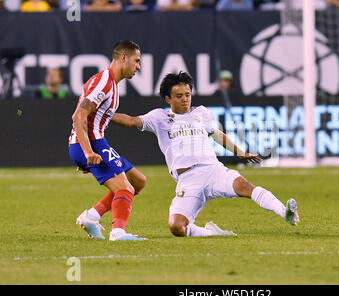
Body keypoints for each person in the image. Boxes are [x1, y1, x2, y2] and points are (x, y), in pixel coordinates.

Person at [111, 71, 299, 237]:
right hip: (188, 180)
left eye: (188, 94)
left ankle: (285, 212)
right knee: (176, 227)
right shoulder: (159, 117)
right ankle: (210, 233)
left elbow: (216, 134)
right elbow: (131, 121)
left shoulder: (201, 113)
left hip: (213, 170)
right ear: (168, 99)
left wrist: (240, 152)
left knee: (245, 186)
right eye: (179, 96)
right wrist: (104, 114)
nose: (185, 99)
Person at [69, 40, 147, 241]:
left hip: (95, 143)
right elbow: (78, 116)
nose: (138, 66)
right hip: (90, 144)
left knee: (138, 181)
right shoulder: (104, 82)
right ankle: (118, 233)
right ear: (123, 58)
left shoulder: (111, 83)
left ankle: (91, 216)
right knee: (124, 188)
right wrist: (86, 152)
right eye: (136, 61)